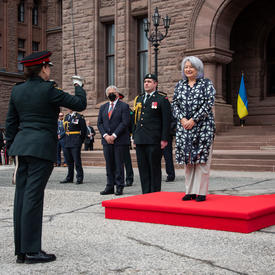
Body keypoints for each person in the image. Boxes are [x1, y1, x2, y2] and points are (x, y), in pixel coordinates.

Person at [5, 51, 86, 264]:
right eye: (48, 67)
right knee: (33, 197)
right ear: (42, 68)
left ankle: (22, 250)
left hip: (22, 147)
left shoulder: (17, 91)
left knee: (21, 197)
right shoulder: (49, 90)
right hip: (41, 148)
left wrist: (11, 147)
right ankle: (32, 250)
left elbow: (11, 122)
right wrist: (79, 86)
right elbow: (79, 104)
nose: (50, 70)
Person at [171, 56, 216, 202]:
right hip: (184, 128)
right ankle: (189, 191)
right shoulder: (180, 85)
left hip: (203, 127)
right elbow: (175, 104)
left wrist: (194, 119)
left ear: (198, 69)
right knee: (188, 161)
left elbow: (208, 103)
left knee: (202, 161)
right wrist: (183, 119)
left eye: (191, 67)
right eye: (186, 67)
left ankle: (201, 192)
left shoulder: (206, 84)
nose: (188, 69)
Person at [133, 73, 171, 194]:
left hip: (154, 139)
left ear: (155, 84)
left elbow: (166, 120)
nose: (146, 84)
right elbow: (136, 120)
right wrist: (133, 136)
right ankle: (145, 193)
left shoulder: (161, 99)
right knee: (143, 168)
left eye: (149, 81)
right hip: (140, 139)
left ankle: (155, 193)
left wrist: (164, 138)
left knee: (154, 168)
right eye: (145, 81)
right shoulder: (139, 98)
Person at [97, 85, 130, 196]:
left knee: (119, 164)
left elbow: (125, 122)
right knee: (109, 164)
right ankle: (109, 186)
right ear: (107, 95)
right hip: (106, 140)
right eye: (110, 93)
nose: (112, 94)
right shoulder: (103, 107)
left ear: (117, 94)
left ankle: (119, 186)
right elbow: (99, 123)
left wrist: (114, 135)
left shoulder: (124, 106)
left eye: (114, 92)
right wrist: (106, 135)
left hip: (119, 140)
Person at [60, 109, 86, 184]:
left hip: (76, 141)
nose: (67, 109)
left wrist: (80, 140)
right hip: (67, 141)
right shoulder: (66, 117)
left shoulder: (79, 117)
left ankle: (79, 177)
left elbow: (83, 130)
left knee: (77, 161)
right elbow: (65, 129)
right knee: (69, 161)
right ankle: (69, 177)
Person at [118, 92, 134, 187]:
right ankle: (118, 178)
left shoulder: (127, 109)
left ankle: (129, 178)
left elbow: (131, 123)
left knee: (126, 160)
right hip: (114, 137)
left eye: (120, 99)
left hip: (124, 137)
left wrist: (132, 135)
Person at [162, 114, 176, 182]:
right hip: (156, 136)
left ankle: (171, 175)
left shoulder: (167, 108)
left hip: (166, 136)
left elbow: (173, 122)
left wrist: (167, 131)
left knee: (168, 156)